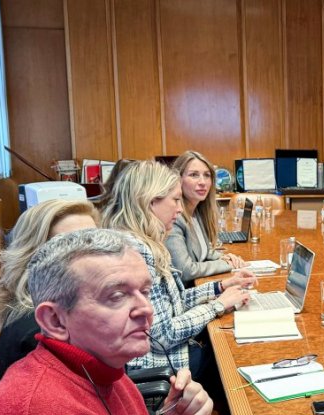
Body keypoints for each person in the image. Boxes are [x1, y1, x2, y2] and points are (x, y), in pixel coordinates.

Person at [0, 229, 212, 415]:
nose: (146, 309)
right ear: (55, 320)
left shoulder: (107, 371)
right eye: (116, 296)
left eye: (145, 291)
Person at [101, 160, 254, 377]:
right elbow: (164, 334)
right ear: (150, 201)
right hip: (164, 367)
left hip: (168, 356)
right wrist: (218, 305)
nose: (180, 208)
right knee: (235, 351)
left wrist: (220, 287)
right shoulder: (137, 252)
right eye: (175, 200)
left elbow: (174, 303)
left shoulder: (139, 241)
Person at [0, 199, 99, 382]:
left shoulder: (60, 305)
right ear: (34, 257)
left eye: (95, 240)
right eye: (71, 245)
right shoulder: (41, 332)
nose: (95, 255)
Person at [166, 150, 245, 284]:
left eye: (207, 175)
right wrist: (225, 265)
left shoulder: (197, 211)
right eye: (194, 175)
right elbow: (185, 270)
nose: (202, 182)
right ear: (178, 179)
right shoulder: (174, 218)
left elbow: (202, 251)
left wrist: (225, 257)